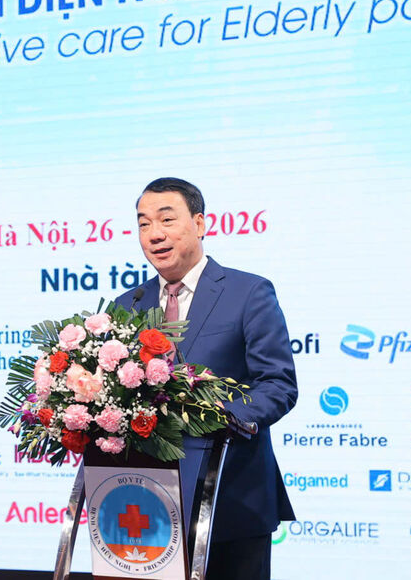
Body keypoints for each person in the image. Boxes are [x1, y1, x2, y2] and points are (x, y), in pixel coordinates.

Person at [114, 177, 297, 580]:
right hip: (145, 507)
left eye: (167, 219)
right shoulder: (128, 305)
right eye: (143, 224)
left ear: (199, 223)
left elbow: (278, 384)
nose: (154, 234)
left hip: (231, 497)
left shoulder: (248, 292)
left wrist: (219, 417)